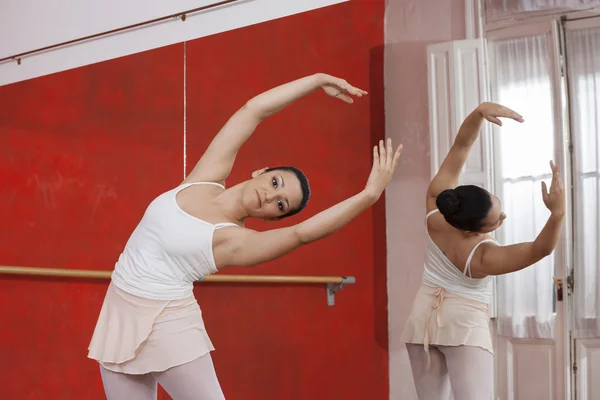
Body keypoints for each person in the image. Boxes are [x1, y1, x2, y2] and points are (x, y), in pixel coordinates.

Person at [88, 73, 403, 400]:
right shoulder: (206, 177)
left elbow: (301, 233)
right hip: (120, 307)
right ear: (262, 171)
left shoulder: (235, 242)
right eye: (276, 183)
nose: (270, 196)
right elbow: (253, 111)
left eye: (281, 204)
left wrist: (368, 196)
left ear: (272, 218)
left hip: (168, 321)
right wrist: (315, 80)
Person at [400, 102, 565, 400]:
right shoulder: (482, 257)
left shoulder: (436, 207)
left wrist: (478, 113)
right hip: (463, 328)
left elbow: (462, 145)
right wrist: (557, 214)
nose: (502, 220)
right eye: (494, 222)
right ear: (469, 231)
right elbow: (542, 248)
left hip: (420, 321)